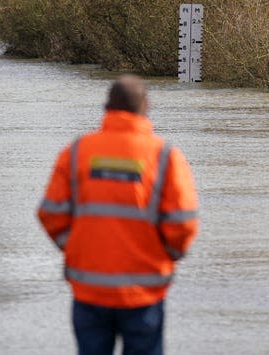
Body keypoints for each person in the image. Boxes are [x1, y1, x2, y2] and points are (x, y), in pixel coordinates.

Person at [37, 74, 199, 355]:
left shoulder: (76, 152)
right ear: (146, 106)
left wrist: (74, 247)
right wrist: (167, 254)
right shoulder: (165, 156)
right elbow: (183, 223)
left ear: (106, 107)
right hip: (144, 290)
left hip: (90, 288)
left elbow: (50, 214)